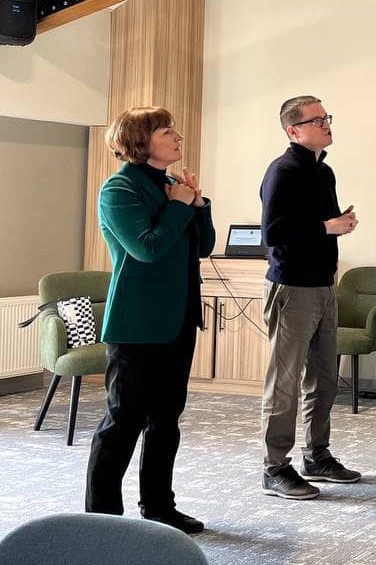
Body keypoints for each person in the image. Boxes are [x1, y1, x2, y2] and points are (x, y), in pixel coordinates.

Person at [85, 107, 215, 535]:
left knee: (166, 421)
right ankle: (102, 519)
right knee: (122, 422)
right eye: (166, 130)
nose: (178, 136)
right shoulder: (119, 189)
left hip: (178, 320)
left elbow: (203, 246)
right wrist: (178, 206)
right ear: (140, 141)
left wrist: (198, 205)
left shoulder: (172, 185)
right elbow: (147, 249)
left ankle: (159, 508)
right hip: (137, 324)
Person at [258, 96, 361, 500]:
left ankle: (316, 455)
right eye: (316, 120)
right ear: (294, 130)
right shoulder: (282, 171)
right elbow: (273, 233)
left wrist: (337, 224)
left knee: (324, 378)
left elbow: (321, 225)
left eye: (326, 117)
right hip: (292, 288)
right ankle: (274, 468)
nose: (326, 124)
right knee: (284, 383)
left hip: (323, 285)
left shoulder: (324, 171)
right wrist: (326, 227)